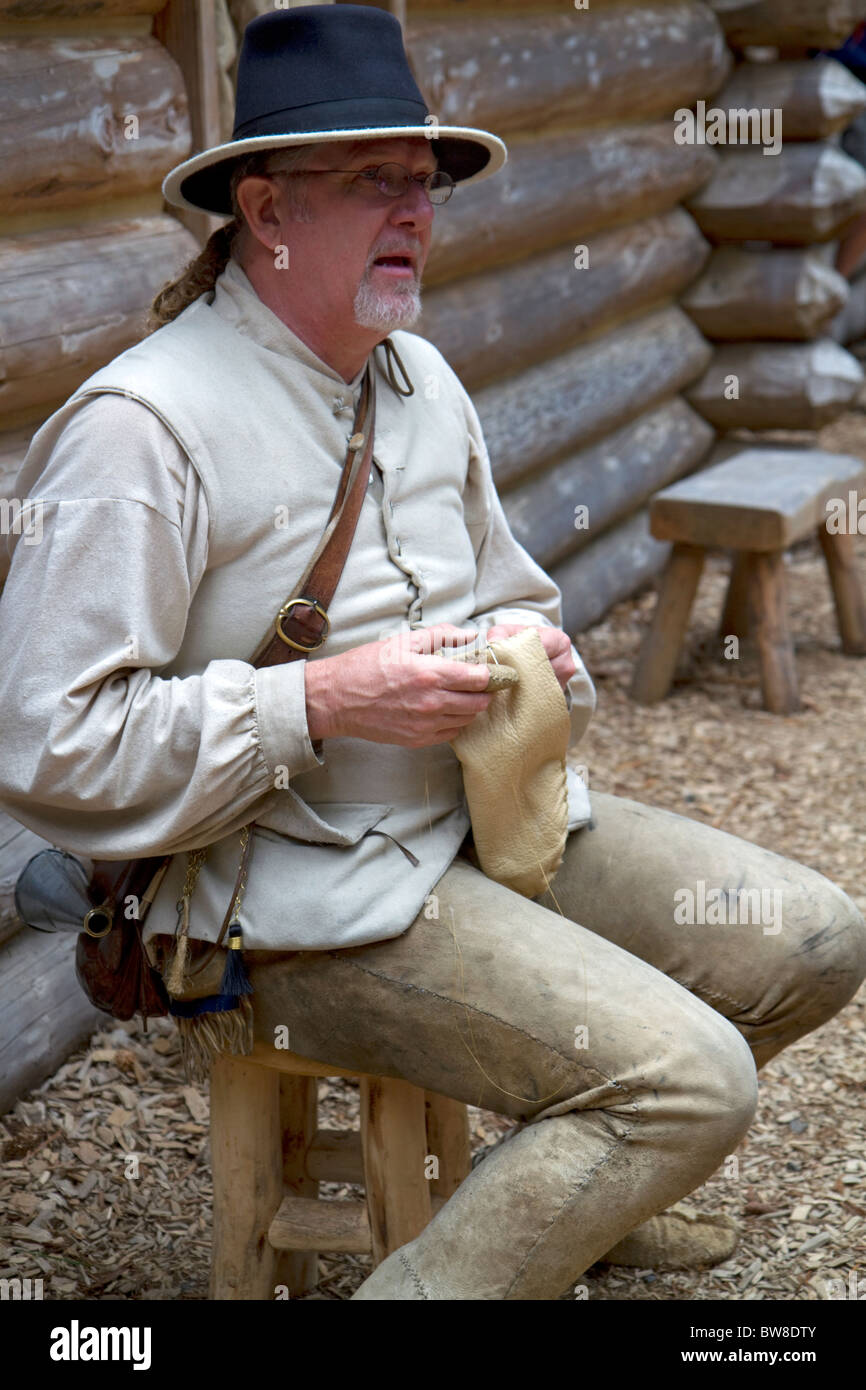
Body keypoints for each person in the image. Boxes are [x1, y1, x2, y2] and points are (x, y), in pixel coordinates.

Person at [1, 5, 864, 1301]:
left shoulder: (416, 376)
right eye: (372, 183)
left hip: (468, 826)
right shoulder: (143, 429)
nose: (414, 213)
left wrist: (531, 646)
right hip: (273, 909)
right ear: (266, 206)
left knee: (811, 939)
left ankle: (574, 1187)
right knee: (692, 1079)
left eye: (424, 185)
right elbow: (49, 746)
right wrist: (322, 699)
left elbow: (507, 584)